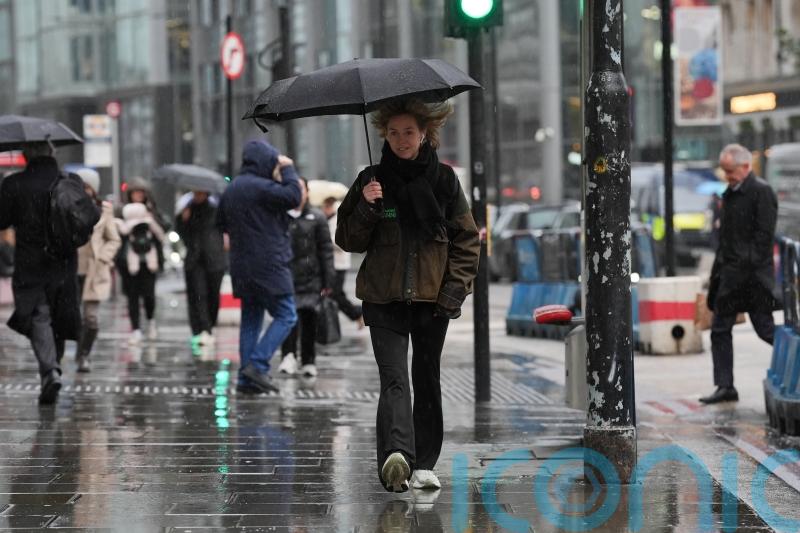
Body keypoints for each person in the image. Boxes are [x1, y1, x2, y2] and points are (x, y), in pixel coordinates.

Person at [336, 99, 480, 492]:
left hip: (433, 301)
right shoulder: (371, 179)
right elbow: (346, 239)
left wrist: (454, 291)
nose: (402, 140)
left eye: (409, 132)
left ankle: (425, 463)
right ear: (384, 133)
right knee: (395, 378)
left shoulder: (445, 181)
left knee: (426, 378)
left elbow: (467, 240)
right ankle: (396, 458)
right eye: (394, 132)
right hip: (383, 300)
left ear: (424, 134)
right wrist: (367, 206)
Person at [0, 143, 85, 404]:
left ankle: (50, 370)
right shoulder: (71, 181)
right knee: (58, 317)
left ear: (26, 156)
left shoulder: (15, 183)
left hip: (30, 262)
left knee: (38, 316)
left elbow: (1, 220)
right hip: (64, 263)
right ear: (53, 154)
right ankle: (52, 369)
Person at [217, 140, 302, 394]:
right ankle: (258, 364)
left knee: (251, 319)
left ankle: (245, 380)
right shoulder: (262, 188)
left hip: (241, 266)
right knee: (287, 314)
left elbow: (220, 223)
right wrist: (288, 168)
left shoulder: (231, 189)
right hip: (269, 264)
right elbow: (294, 196)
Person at [701, 143, 778, 404]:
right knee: (720, 329)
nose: (727, 176)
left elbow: (764, 237)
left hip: (753, 278)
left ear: (746, 167)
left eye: (730, 170)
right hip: (730, 276)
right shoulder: (731, 193)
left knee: (765, 329)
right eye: (724, 171)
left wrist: (745, 265)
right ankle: (725, 386)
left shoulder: (761, 192)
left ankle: (794, 359)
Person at [278, 178, 335, 377]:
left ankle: (309, 360)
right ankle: (288, 355)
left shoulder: (317, 217)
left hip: (312, 278)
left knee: (309, 319)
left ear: (307, 192)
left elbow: (326, 250)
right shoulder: (281, 216)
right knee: (288, 318)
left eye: (301, 189)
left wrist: (329, 281)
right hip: (287, 276)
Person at [75, 168, 122, 373]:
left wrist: (104, 257)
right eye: (81, 187)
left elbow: (114, 238)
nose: (85, 191)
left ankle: (84, 354)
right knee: (72, 318)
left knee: (91, 320)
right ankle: (77, 352)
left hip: (95, 271)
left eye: (88, 187)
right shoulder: (69, 205)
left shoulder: (105, 210)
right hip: (73, 269)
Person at [174, 190, 227, 347]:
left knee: (213, 295)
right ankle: (203, 329)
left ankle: (210, 326)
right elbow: (181, 232)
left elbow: (225, 229)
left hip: (214, 259)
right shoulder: (187, 210)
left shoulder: (216, 210)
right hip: (195, 260)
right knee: (198, 294)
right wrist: (184, 220)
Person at [116, 201, 165, 345]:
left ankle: (151, 321)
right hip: (130, 265)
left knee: (149, 296)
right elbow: (121, 234)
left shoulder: (150, 222)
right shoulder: (124, 225)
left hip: (149, 265)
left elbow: (161, 235)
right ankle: (136, 329)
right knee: (133, 298)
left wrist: (151, 219)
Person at [321, 196, 364, 328]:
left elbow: (341, 241)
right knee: (335, 294)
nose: (323, 210)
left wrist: (326, 241)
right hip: (331, 264)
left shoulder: (337, 219)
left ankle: (357, 313)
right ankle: (357, 314)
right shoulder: (328, 219)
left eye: (325, 207)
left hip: (339, 264)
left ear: (330, 206)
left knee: (335, 294)